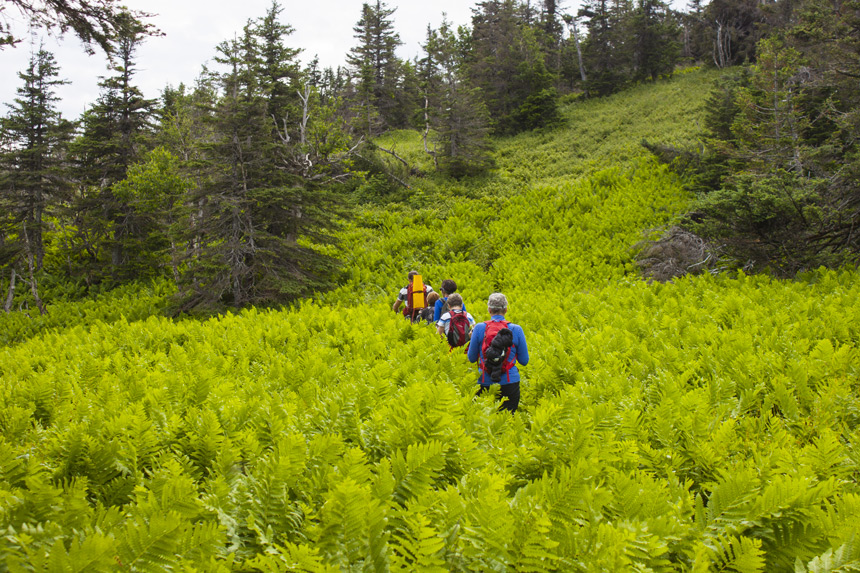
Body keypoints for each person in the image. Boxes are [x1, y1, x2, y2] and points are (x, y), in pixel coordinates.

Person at [467, 293, 529, 412]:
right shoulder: (516, 329)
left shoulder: (479, 328)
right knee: (507, 422)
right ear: (506, 309)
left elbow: (471, 358)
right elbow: (524, 361)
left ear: (489, 309)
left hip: (485, 382)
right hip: (510, 382)